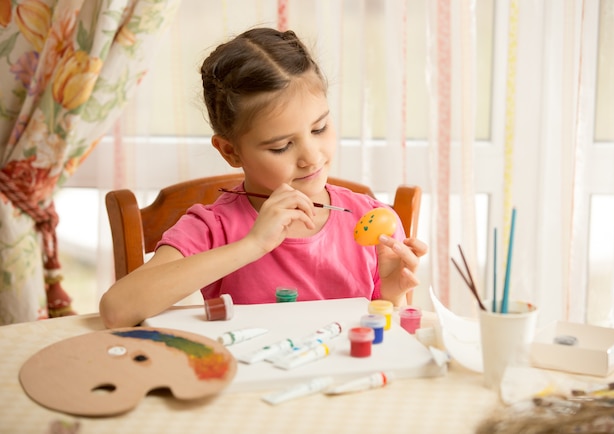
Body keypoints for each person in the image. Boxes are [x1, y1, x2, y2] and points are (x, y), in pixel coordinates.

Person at [99, 27, 428, 329]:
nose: (311, 157)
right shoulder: (214, 228)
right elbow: (117, 309)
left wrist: (391, 296)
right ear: (231, 152)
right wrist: (253, 244)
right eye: (282, 146)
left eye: (319, 128)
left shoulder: (370, 219)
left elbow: (380, 338)